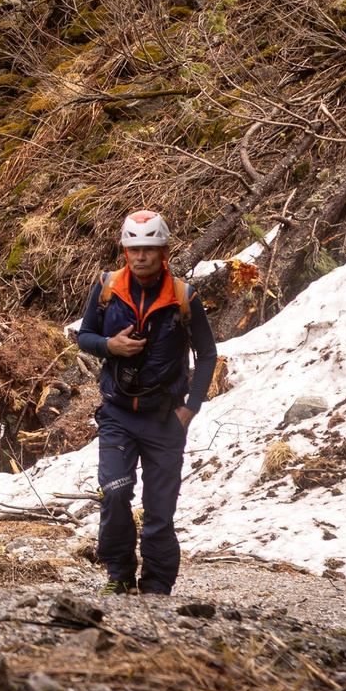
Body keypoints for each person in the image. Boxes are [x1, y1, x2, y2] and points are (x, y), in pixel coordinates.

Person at [69, 211, 218, 596]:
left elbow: (207, 355)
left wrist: (191, 408)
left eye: (148, 249)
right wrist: (109, 345)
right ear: (125, 250)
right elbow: (84, 336)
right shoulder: (106, 289)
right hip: (117, 413)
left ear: (163, 251)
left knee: (159, 511)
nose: (140, 257)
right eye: (133, 248)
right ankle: (118, 575)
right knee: (115, 492)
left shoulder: (184, 297)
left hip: (165, 418)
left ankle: (156, 588)